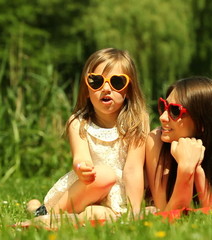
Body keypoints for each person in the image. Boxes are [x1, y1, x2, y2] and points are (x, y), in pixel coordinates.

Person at [27, 48, 149, 221]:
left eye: (117, 82)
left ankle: (38, 210)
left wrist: (135, 211)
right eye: (97, 81)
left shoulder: (137, 121)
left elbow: (133, 169)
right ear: (86, 88)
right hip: (87, 188)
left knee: (98, 215)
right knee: (104, 175)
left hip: (119, 194)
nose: (106, 88)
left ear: (129, 90)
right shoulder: (78, 122)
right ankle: (46, 214)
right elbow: (81, 157)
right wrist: (82, 167)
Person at [145, 76, 212, 212]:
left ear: (202, 121)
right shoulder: (156, 141)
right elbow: (167, 214)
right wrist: (185, 170)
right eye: (163, 106)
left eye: (174, 111)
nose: (162, 117)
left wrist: (196, 169)